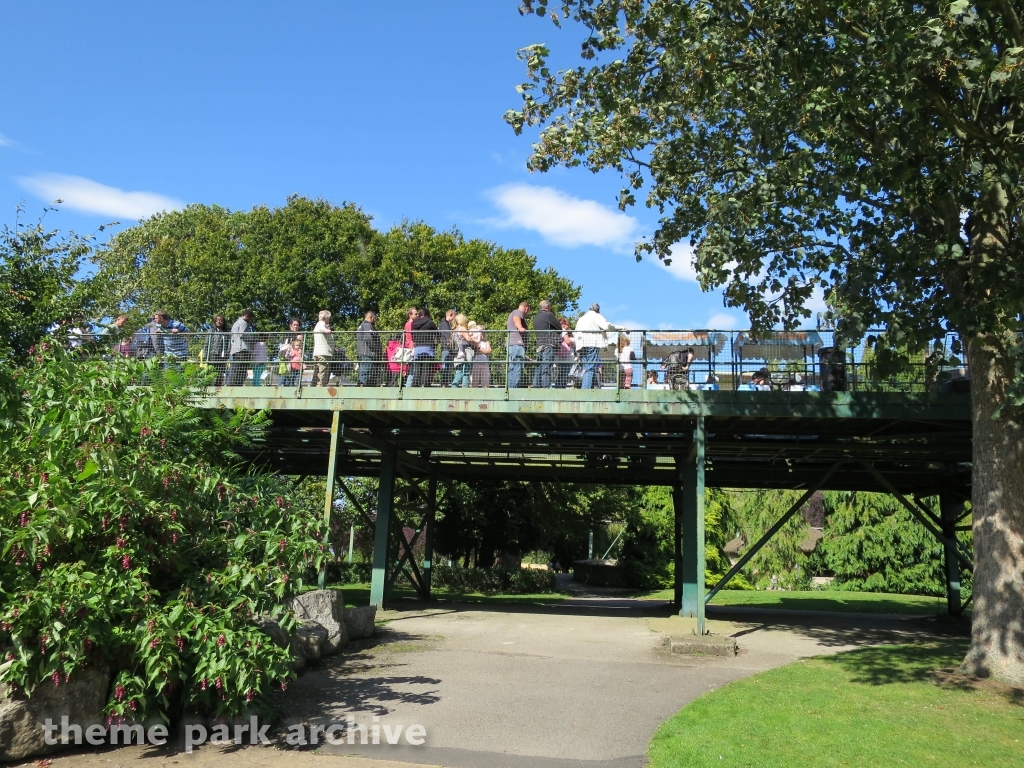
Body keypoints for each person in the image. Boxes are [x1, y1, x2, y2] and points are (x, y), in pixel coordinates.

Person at [574, 303, 622, 389]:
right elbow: (606, 326)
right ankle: (586, 389)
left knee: (587, 367)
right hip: (592, 343)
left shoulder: (581, 318)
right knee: (590, 368)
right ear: (597, 310)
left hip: (581, 344)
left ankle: (590, 387)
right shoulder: (596, 316)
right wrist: (621, 327)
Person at [531, 299, 561, 388]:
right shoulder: (549, 315)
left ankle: (536, 386)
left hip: (539, 345)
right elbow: (559, 328)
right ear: (547, 307)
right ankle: (546, 388)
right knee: (546, 367)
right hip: (548, 344)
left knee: (539, 367)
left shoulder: (536, 317)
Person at [409, 308, 439, 387]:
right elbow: (437, 334)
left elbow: (412, 336)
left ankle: (415, 385)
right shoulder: (430, 322)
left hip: (418, 348)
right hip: (428, 348)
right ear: (427, 315)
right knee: (426, 368)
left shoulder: (413, 323)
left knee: (417, 368)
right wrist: (435, 343)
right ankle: (425, 385)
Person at [227, 310, 255, 386]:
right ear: (247, 316)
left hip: (236, 349)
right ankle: (236, 385)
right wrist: (252, 339)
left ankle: (232, 385)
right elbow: (242, 335)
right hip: (242, 349)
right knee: (241, 370)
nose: (250, 320)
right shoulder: (243, 323)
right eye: (250, 318)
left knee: (235, 369)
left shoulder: (236, 323)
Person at [506, 301, 530, 388]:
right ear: (526, 308)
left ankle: (511, 389)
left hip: (515, 346)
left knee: (514, 368)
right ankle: (513, 391)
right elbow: (516, 319)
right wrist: (520, 327)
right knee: (516, 369)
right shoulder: (517, 312)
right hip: (516, 345)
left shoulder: (514, 312)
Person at [356, 311, 383, 386]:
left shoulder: (362, 326)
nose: (375, 320)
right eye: (375, 318)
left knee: (365, 371)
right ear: (370, 317)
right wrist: (375, 349)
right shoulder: (367, 325)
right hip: (367, 353)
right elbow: (368, 338)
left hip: (363, 353)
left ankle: (363, 386)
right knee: (366, 371)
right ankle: (362, 388)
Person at [450, 314, 474, 388]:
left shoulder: (455, 330)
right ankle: (464, 389)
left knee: (459, 372)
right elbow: (468, 339)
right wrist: (476, 342)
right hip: (465, 352)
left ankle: (453, 388)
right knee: (466, 371)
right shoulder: (462, 328)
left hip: (458, 353)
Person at [205, 315, 231, 385]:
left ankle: (218, 390)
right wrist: (205, 356)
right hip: (213, 355)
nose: (219, 322)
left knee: (220, 373)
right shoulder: (211, 331)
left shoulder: (227, 332)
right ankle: (207, 389)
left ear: (223, 322)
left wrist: (227, 354)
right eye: (217, 320)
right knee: (210, 373)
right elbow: (206, 344)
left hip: (223, 356)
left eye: (221, 320)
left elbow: (229, 344)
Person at [312, 310, 336, 387]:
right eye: (329, 318)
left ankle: (315, 388)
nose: (329, 320)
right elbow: (323, 330)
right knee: (323, 373)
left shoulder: (319, 324)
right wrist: (328, 330)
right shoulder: (321, 323)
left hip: (320, 353)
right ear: (326, 317)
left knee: (317, 373)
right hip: (323, 354)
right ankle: (320, 389)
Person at [276, 318, 302, 385]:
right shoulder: (288, 333)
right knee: (285, 375)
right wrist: (297, 338)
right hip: (287, 359)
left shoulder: (300, 335)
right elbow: (286, 345)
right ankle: (278, 388)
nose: (296, 326)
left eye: (297, 325)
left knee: (291, 378)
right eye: (294, 325)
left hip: (295, 361)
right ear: (291, 326)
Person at [438, 308, 458, 387]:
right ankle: (443, 384)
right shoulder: (444, 324)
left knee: (448, 367)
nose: (454, 320)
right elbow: (449, 335)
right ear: (451, 315)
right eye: (454, 317)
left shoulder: (447, 324)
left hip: (448, 349)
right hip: (446, 349)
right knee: (445, 366)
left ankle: (445, 383)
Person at [469, 322, 491, 388]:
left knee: (485, 379)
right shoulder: (473, 343)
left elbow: (489, 350)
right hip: (475, 361)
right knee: (474, 379)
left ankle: (485, 394)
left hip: (484, 361)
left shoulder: (486, 342)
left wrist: (480, 350)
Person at [554, 317, 575, 388]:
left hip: (559, 355)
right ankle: (560, 387)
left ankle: (559, 387)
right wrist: (573, 341)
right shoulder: (563, 330)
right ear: (564, 324)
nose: (568, 327)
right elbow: (567, 341)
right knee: (564, 373)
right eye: (567, 325)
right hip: (566, 356)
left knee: (561, 372)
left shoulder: (556, 330)